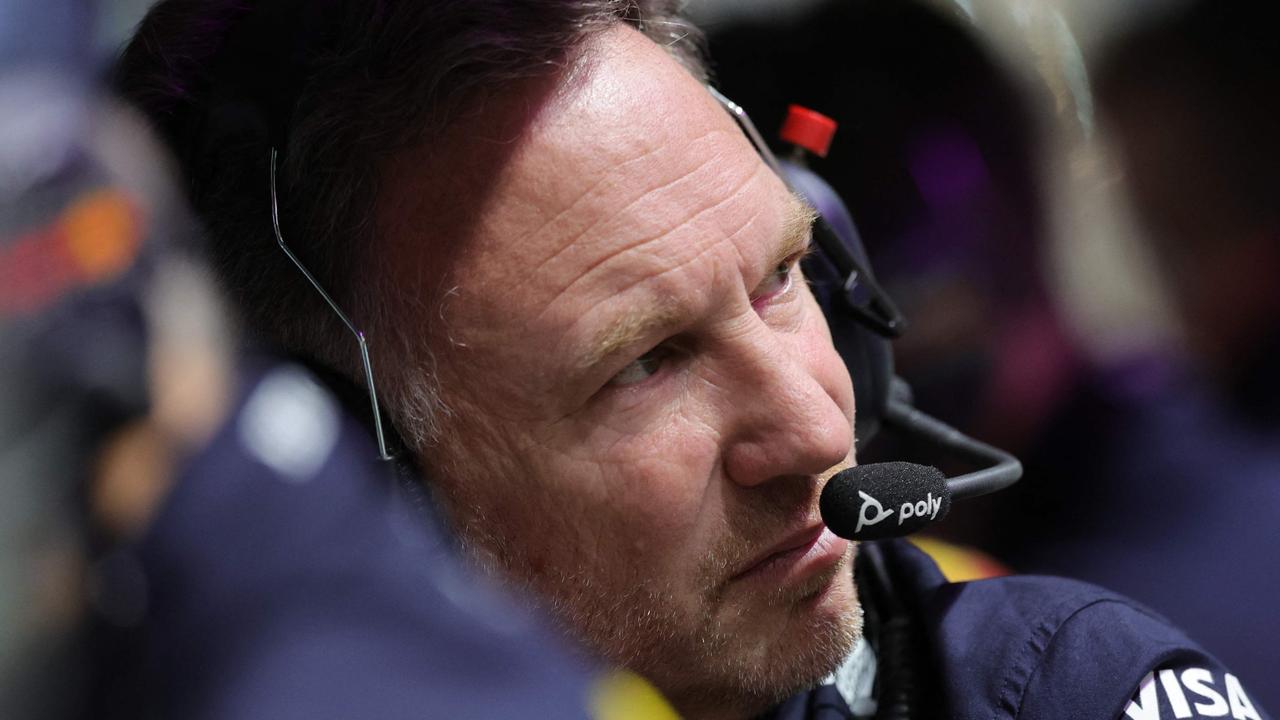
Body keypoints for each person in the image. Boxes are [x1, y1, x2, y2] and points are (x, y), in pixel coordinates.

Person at [115, 2, 1271, 718]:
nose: (819, 433)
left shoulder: (1056, 692)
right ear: (366, 486)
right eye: (646, 364)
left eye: (779, 279)